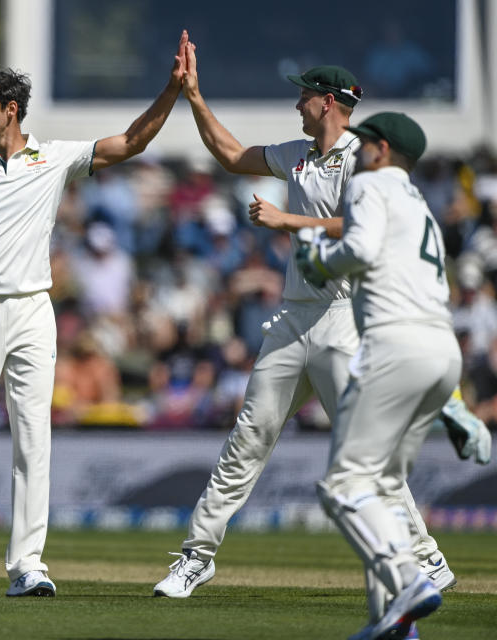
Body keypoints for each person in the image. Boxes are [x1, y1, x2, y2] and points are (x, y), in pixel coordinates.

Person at [152, 41, 476, 604]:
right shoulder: (297, 155)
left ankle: (428, 561)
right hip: (293, 317)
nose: (296, 104)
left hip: (346, 318)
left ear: (328, 103)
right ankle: (195, 558)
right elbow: (232, 156)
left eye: (304, 96)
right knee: (248, 437)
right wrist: (194, 97)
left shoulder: (365, 158)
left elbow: (362, 226)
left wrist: (286, 220)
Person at [0, 31, 189, 597]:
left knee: (33, 438)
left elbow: (132, 143)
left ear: (10, 109)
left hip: (31, 312)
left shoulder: (55, 158)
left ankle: (27, 564)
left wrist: (172, 90)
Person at [296, 112, 456, 640]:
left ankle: (410, 578)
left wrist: (320, 260)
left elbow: (359, 251)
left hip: (395, 347)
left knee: (345, 485)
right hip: (440, 350)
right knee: (384, 487)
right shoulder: (420, 206)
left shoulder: (368, 185)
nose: (357, 149)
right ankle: (394, 626)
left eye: (364, 142)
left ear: (381, 149)